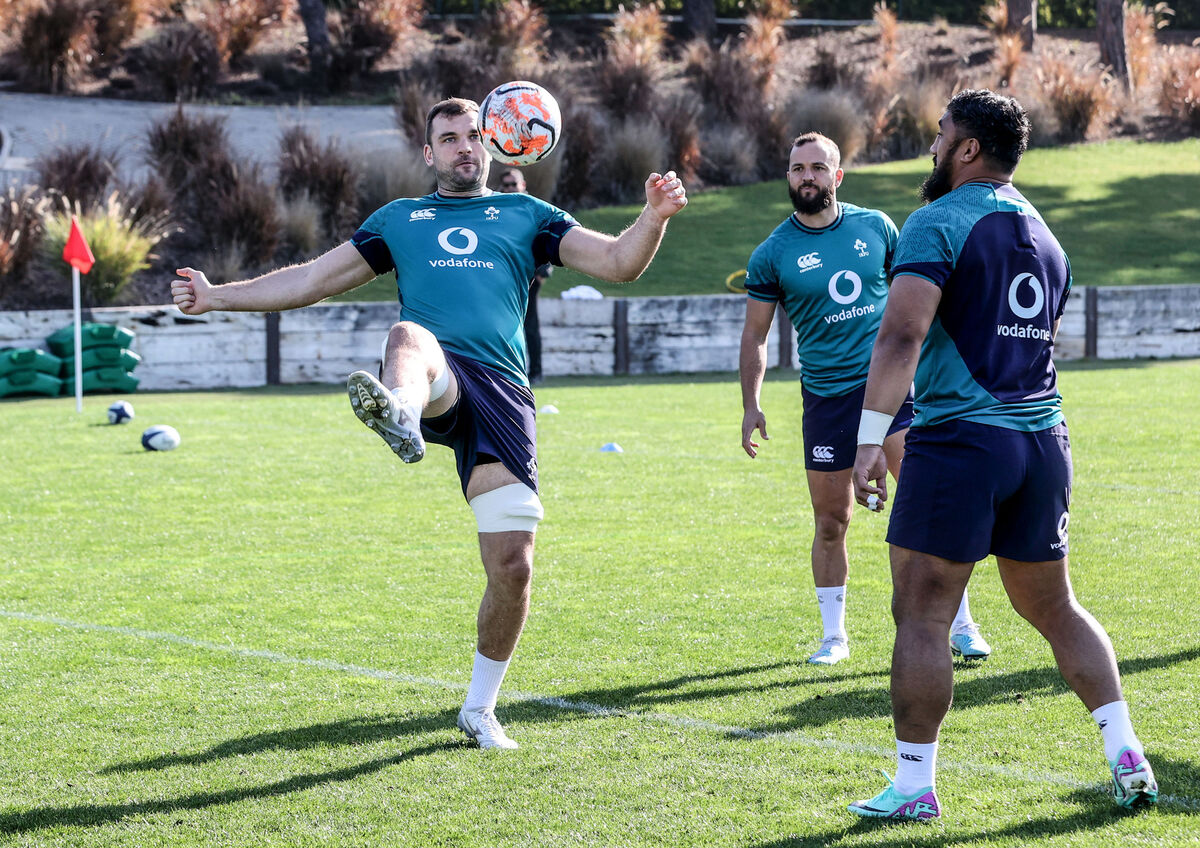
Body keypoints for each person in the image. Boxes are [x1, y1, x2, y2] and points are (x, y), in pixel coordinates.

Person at [171, 97, 688, 749]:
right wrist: (217, 295)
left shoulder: (528, 215)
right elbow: (311, 279)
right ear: (428, 152)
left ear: (492, 143)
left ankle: (479, 708)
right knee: (408, 334)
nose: (463, 147)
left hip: (502, 394)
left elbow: (617, 263)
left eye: (473, 135)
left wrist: (654, 216)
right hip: (436, 375)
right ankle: (401, 414)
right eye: (448, 138)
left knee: (513, 566)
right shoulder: (400, 220)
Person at [849, 89, 1157, 819]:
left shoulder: (936, 222)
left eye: (940, 134)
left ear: (967, 149)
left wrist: (868, 439)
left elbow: (901, 335)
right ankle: (1126, 751)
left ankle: (914, 787)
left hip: (961, 442)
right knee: (1056, 607)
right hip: (1043, 444)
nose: (932, 147)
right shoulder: (1048, 236)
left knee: (922, 613)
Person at [739, 132, 991, 666]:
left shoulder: (877, 227)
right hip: (826, 401)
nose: (807, 177)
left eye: (817, 167)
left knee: (928, 506)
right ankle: (834, 638)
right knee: (832, 521)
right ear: (788, 177)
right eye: (797, 169)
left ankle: (962, 625)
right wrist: (751, 403)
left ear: (837, 175)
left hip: (891, 390)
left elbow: (919, 299)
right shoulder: (772, 253)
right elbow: (755, 335)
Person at [497, 167, 552, 383]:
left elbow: (546, 238)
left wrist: (542, 272)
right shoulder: (497, 209)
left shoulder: (532, 208)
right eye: (506, 185)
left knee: (530, 326)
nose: (510, 188)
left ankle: (536, 372)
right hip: (504, 279)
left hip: (529, 278)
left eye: (514, 184)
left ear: (523, 185)